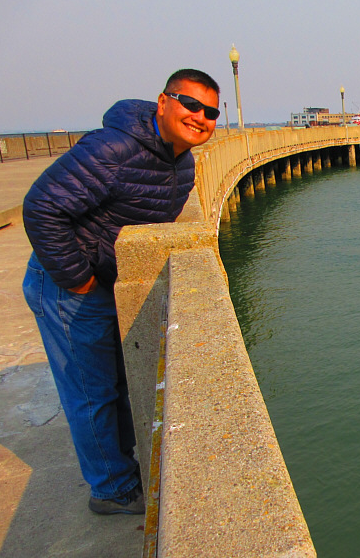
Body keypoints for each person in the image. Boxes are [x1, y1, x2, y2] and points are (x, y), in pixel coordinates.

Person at [21, 69, 220, 515]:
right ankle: (111, 490)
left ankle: (123, 469)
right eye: (190, 104)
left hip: (104, 283)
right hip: (67, 286)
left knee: (117, 383)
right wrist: (79, 279)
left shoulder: (180, 161)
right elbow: (42, 207)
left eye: (210, 111)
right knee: (92, 393)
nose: (200, 117)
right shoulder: (114, 148)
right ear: (163, 103)